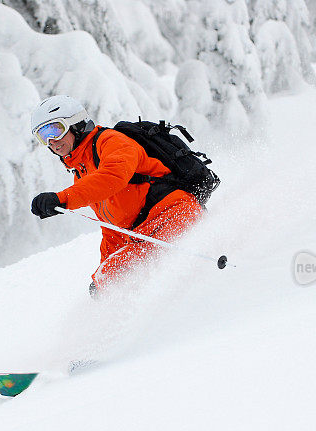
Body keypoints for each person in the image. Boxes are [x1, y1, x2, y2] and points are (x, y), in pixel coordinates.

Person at [29, 95, 203, 294]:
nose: (52, 141)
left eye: (55, 130)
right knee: (109, 283)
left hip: (174, 215)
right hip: (146, 236)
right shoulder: (81, 172)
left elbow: (112, 177)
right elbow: (114, 228)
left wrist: (62, 199)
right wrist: (102, 276)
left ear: (75, 124)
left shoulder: (111, 142)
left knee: (136, 279)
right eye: (43, 136)